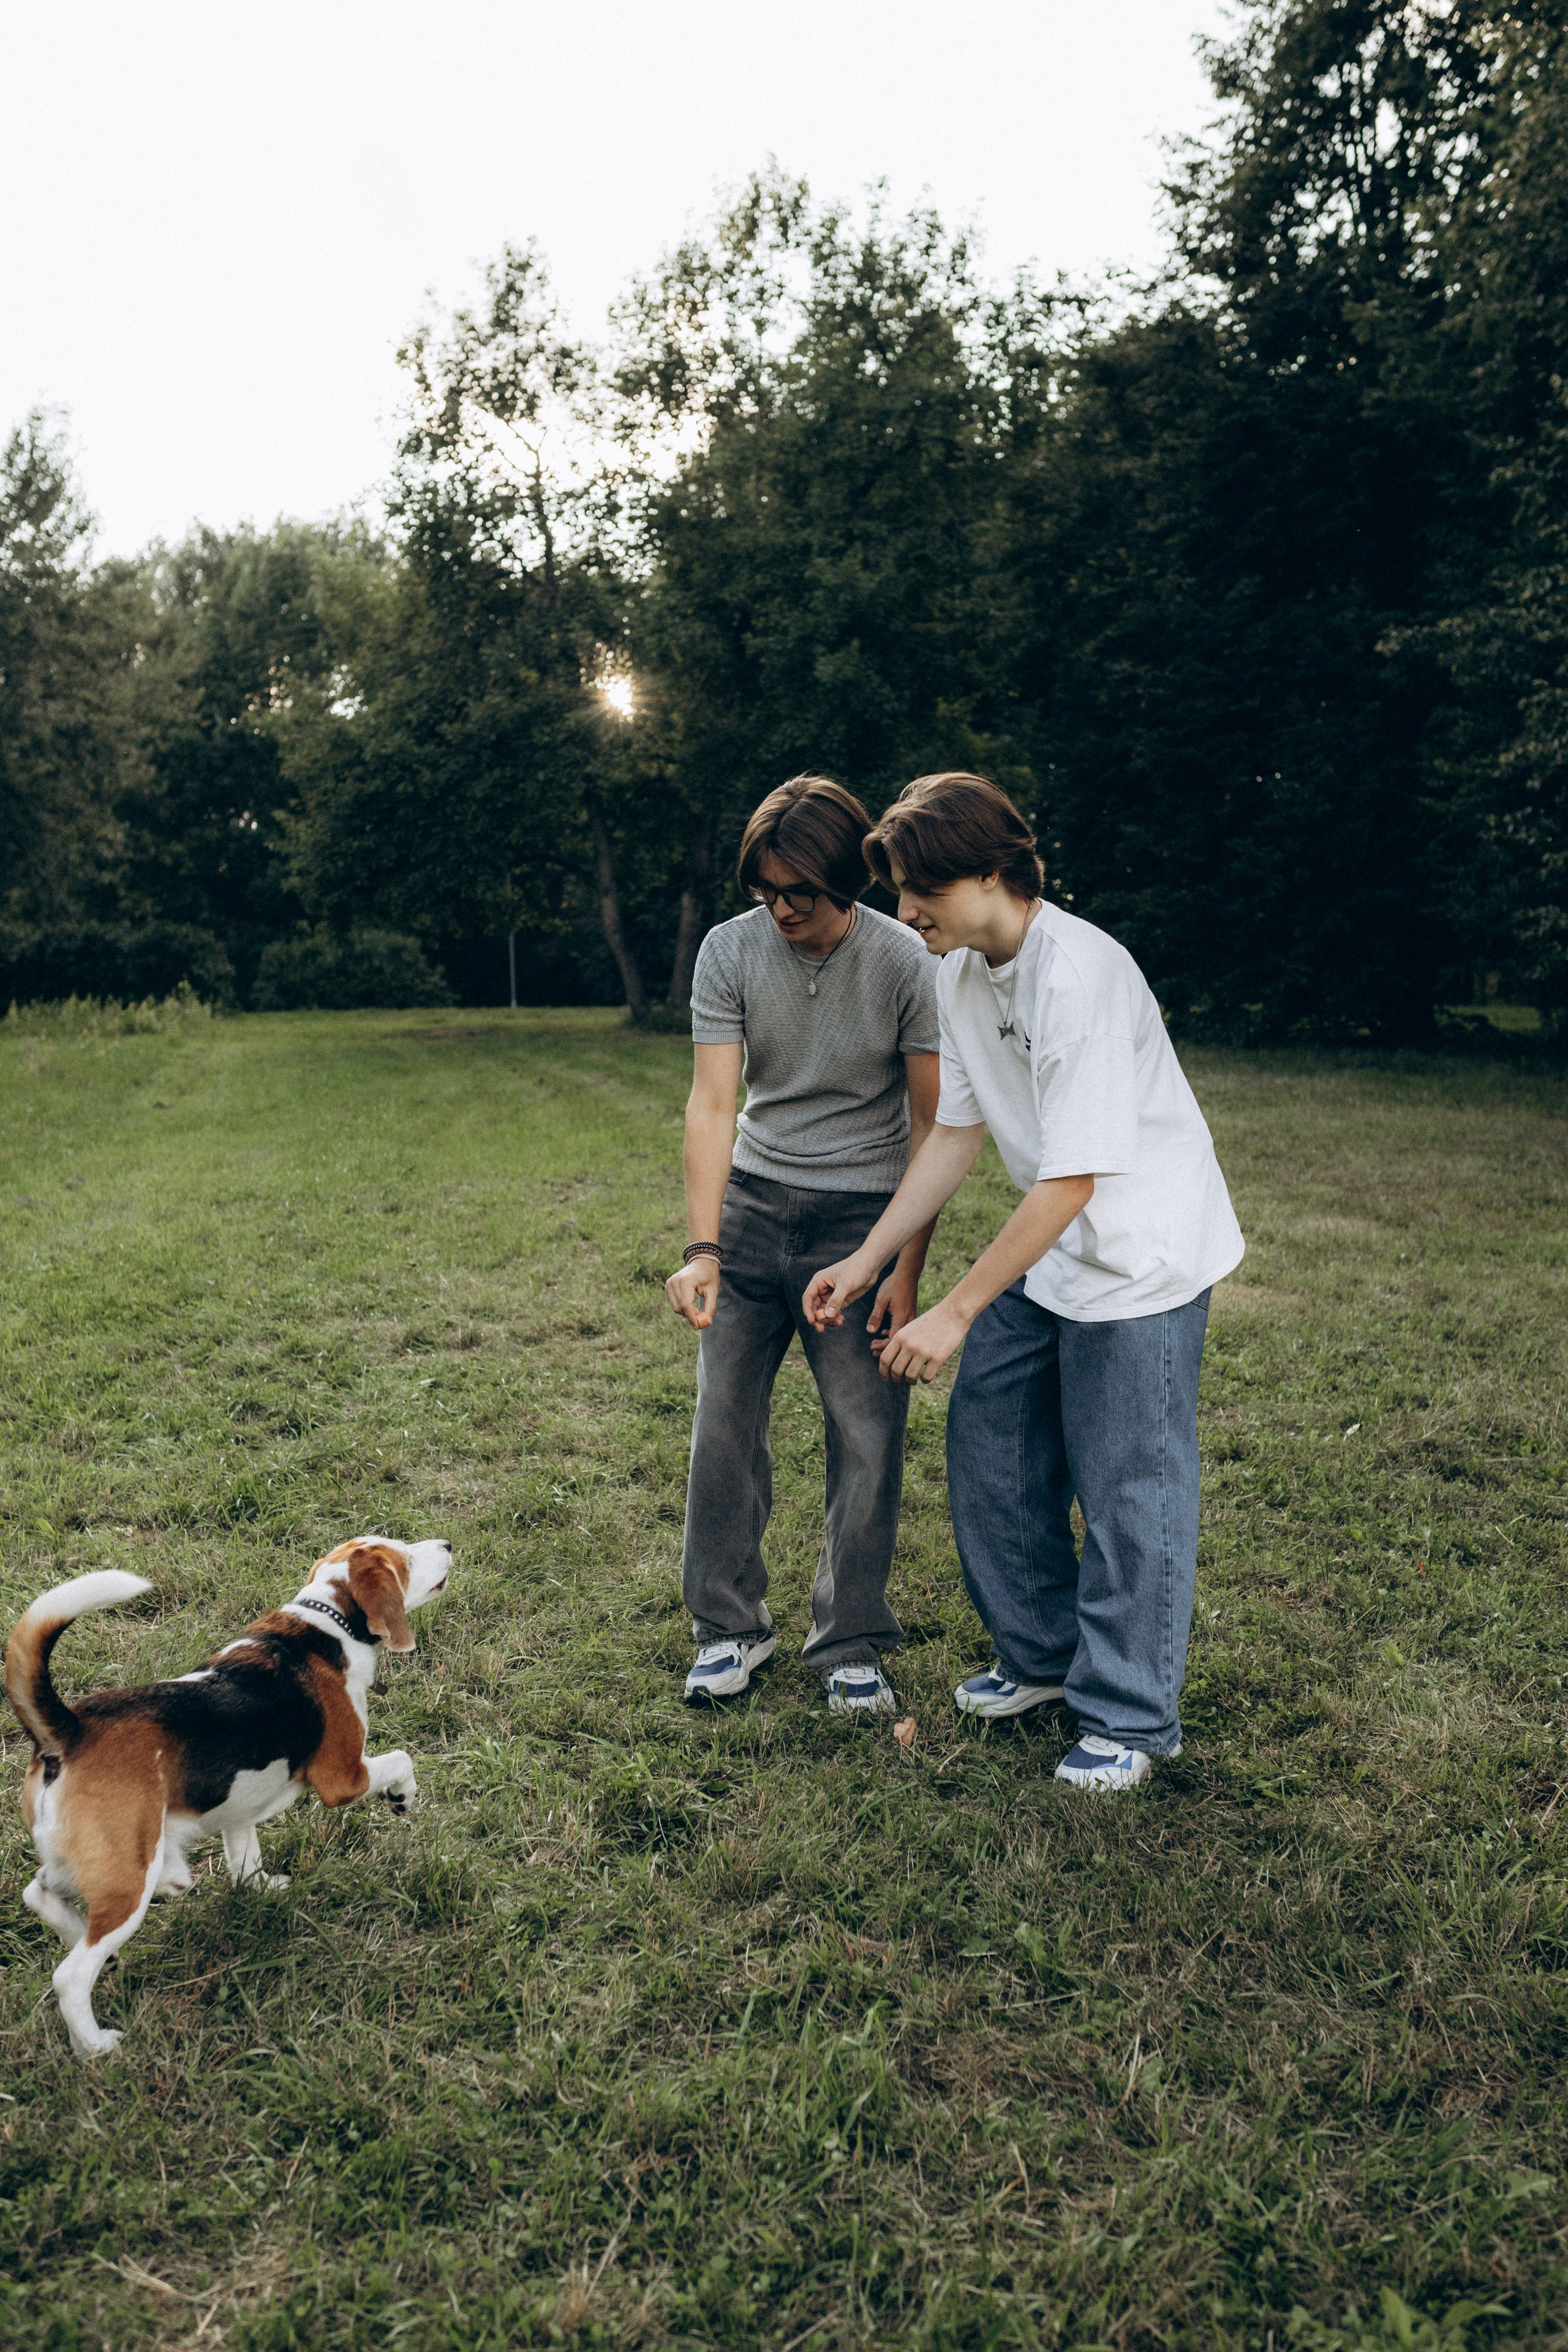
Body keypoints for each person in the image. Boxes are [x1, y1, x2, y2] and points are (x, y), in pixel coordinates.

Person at [803, 772, 1243, 1789]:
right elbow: (956, 1132)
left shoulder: (1079, 976)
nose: (905, 913)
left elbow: (1074, 1179)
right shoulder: (957, 972)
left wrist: (958, 1310)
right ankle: (1044, 1662)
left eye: (922, 891)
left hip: (1141, 1261)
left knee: (1130, 1484)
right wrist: (870, 1259)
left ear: (994, 873)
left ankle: (1132, 1717)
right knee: (992, 1445)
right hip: (1054, 1255)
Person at [665, 774, 941, 1714]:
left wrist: (904, 1270)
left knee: (865, 1434)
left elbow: (929, 1129)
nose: (780, 908)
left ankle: (851, 1642)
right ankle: (728, 1630)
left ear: (848, 883)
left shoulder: (907, 962)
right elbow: (712, 1103)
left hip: (861, 1224)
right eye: (765, 890)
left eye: (800, 892)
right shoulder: (729, 951)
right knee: (722, 1427)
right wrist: (704, 1247)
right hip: (750, 1211)